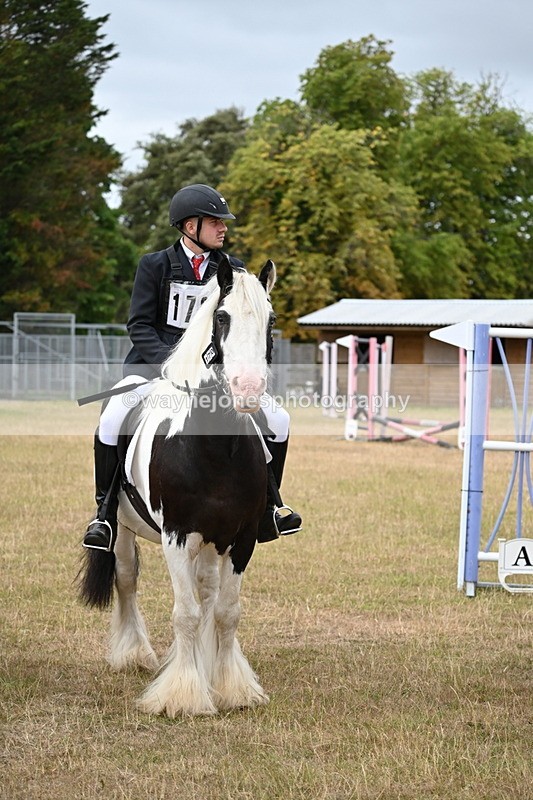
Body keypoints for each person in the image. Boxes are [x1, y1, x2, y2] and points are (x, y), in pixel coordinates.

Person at [83, 184, 302, 551]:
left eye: (224, 222)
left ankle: (268, 508)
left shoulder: (234, 271)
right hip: (154, 368)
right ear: (189, 226)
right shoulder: (154, 265)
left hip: (213, 377)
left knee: (279, 420)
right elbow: (139, 326)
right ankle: (104, 512)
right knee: (112, 417)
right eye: (215, 221)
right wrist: (171, 364)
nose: (224, 228)